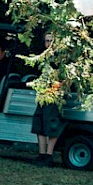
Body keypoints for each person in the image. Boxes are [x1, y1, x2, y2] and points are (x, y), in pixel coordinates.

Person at [29, 32, 63, 165]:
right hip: (42, 95)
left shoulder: (61, 60)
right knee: (40, 124)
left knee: (51, 125)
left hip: (54, 97)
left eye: (51, 41)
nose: (48, 44)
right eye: (46, 41)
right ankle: (41, 155)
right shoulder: (44, 58)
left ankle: (49, 155)